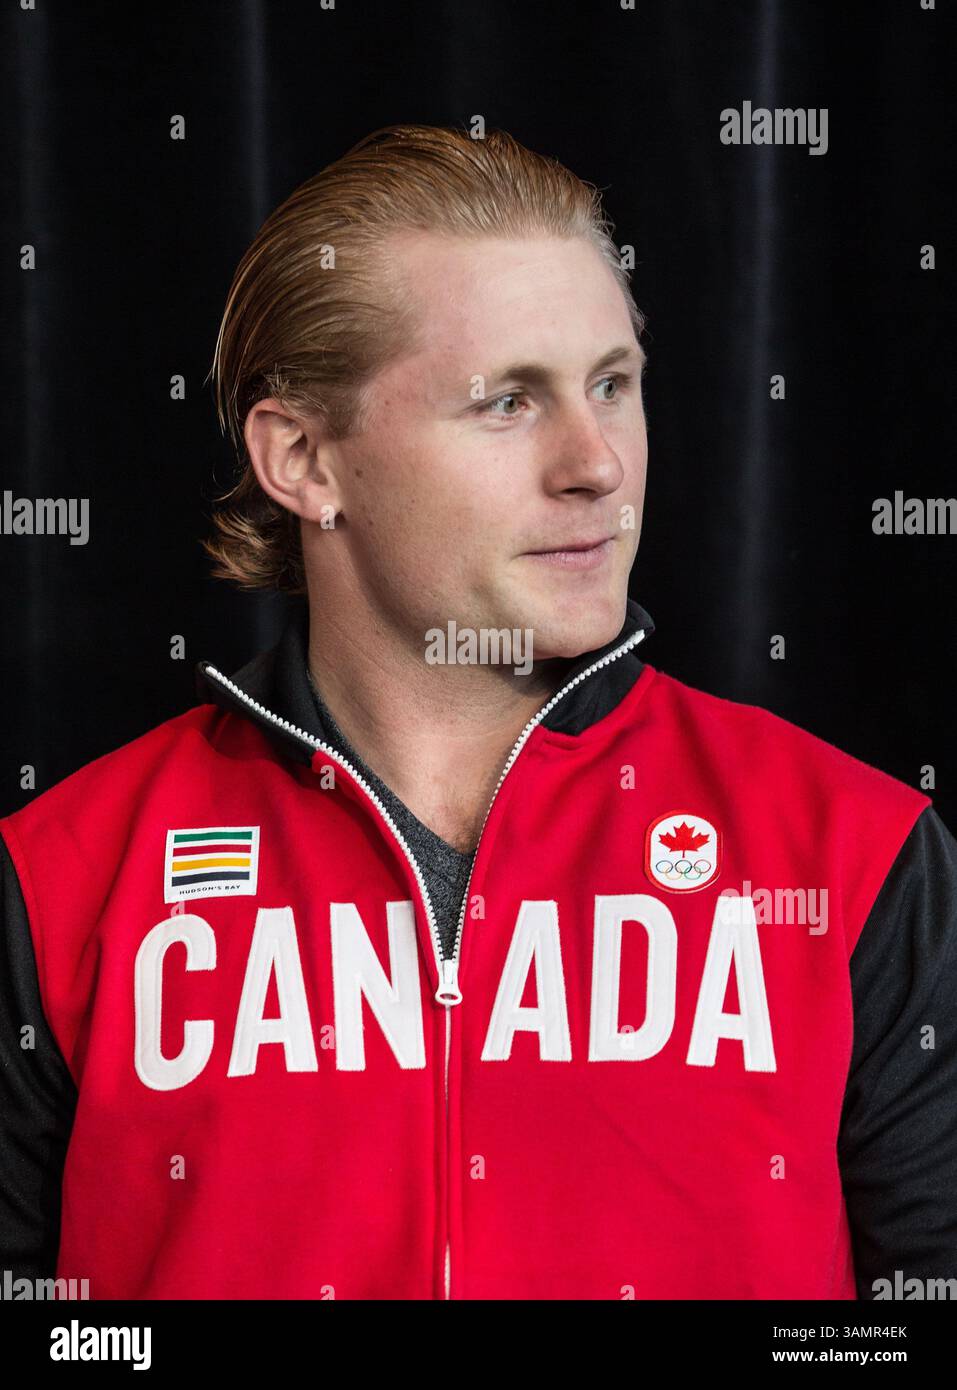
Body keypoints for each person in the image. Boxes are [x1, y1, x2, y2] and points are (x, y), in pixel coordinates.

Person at [1, 123, 955, 1302]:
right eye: (509, 401)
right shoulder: (61, 876)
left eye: (613, 383)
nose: (598, 463)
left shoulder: (856, 850)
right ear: (304, 458)